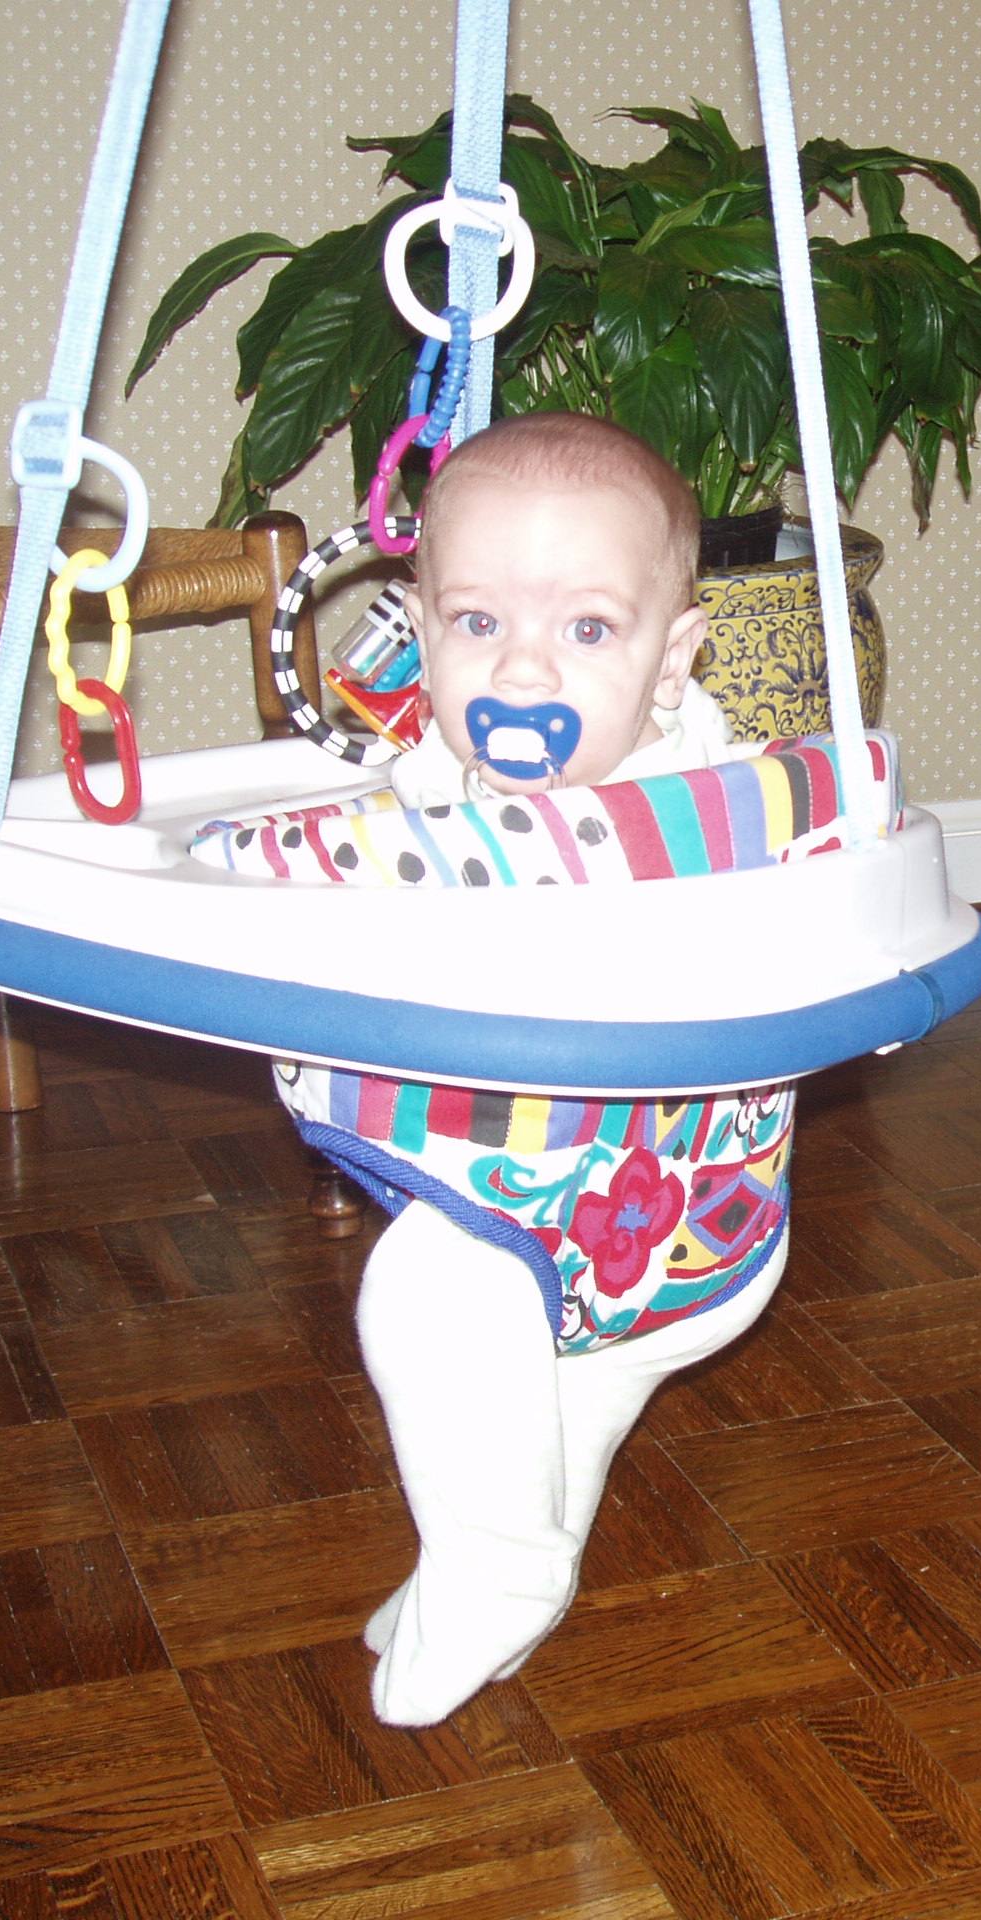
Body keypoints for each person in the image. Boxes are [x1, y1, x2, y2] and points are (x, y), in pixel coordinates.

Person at [283, 411, 790, 1724]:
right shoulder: (426, 787)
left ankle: (495, 1573)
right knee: (521, 1438)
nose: (522, 671)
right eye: (477, 622)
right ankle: (499, 1577)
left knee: (421, 1291)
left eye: (587, 630)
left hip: (663, 1208)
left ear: (673, 659)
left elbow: (809, 908)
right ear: (420, 628)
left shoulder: (714, 803)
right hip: (561, 1229)